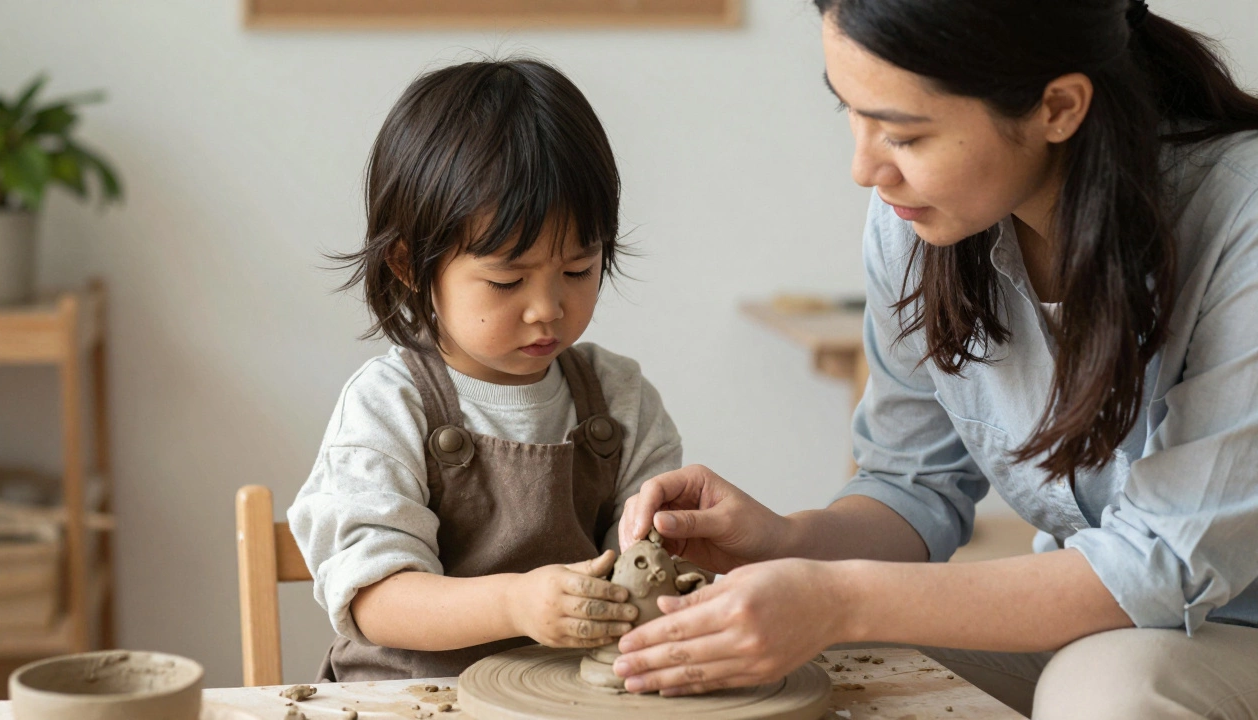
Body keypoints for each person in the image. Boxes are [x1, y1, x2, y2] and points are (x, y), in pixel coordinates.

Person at [612, 1, 1258, 717]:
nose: (864, 169)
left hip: (1223, 624)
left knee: (1108, 692)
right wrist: (784, 543)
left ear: (1057, 108)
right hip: (1109, 618)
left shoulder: (1243, 215)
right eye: (851, 112)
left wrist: (837, 598)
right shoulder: (918, 225)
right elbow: (911, 485)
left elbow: (1162, 565)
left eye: (904, 134)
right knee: (796, 656)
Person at [287, 58, 683, 682]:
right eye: (506, 280)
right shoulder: (388, 406)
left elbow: (651, 563)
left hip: (569, 696)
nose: (547, 308)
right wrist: (515, 604)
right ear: (409, 266)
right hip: (411, 695)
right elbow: (375, 599)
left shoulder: (620, 399)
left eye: (577, 270)